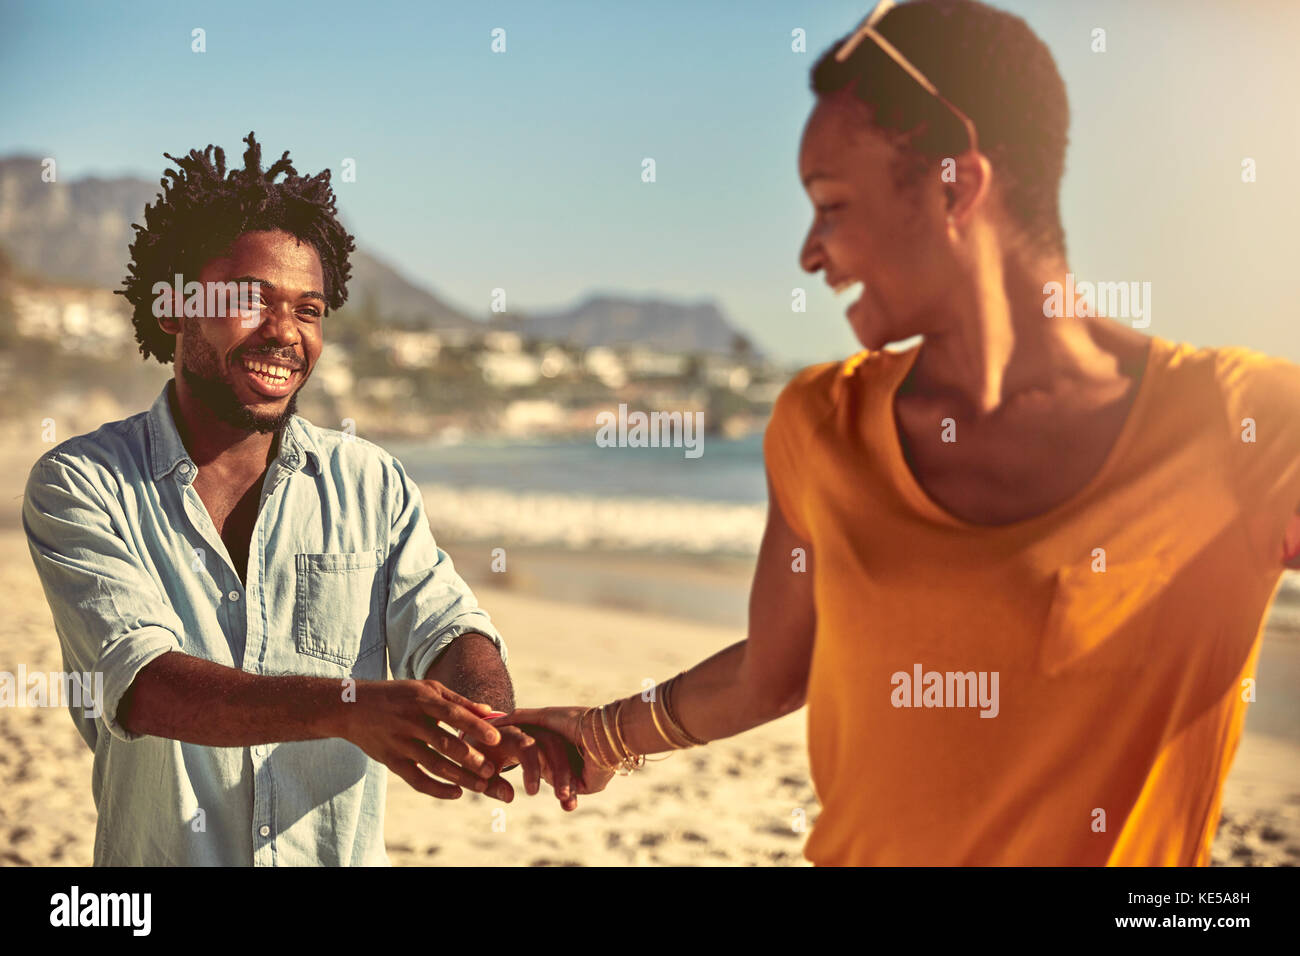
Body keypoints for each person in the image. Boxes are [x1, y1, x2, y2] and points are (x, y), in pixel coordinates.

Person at [500, 0, 1300, 865]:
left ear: (956, 184)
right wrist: (603, 734)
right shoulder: (821, 422)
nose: (810, 253)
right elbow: (776, 669)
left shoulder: (1246, 423)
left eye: (831, 204)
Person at [21, 133, 601, 866]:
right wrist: (347, 709)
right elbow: (142, 684)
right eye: (250, 301)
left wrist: (489, 723)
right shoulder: (81, 484)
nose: (284, 334)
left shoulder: (371, 482)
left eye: (309, 309)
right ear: (172, 308)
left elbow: (450, 628)